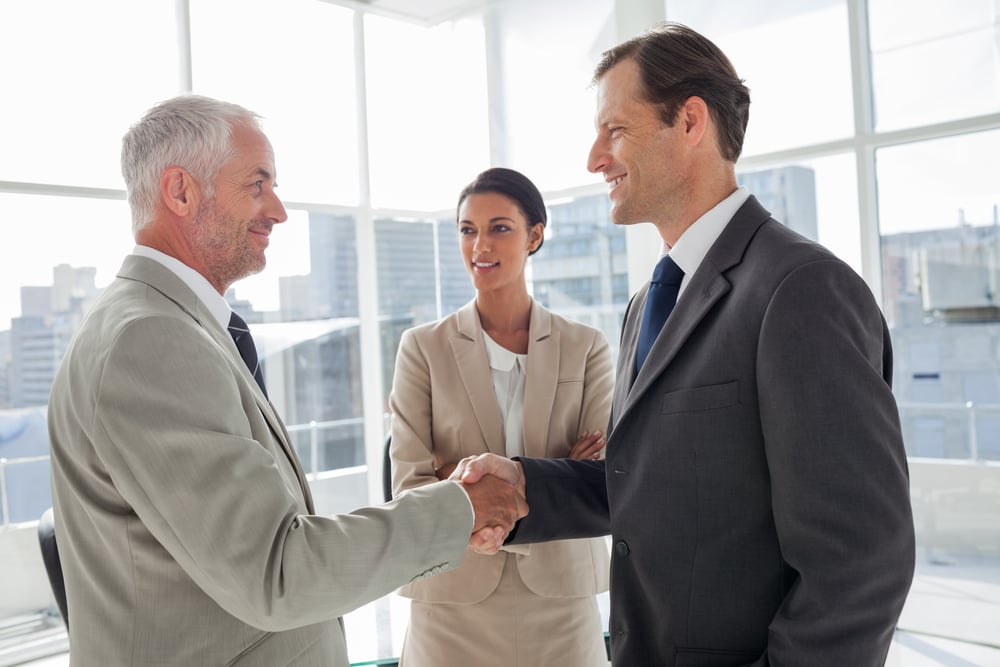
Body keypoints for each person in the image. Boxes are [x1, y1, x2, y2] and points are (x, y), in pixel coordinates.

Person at [455, 22, 916, 666]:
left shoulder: (803, 289)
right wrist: (524, 483)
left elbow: (860, 566)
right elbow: (646, 484)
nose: (594, 159)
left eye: (614, 131)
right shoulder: (650, 301)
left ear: (691, 122)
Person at [46, 94, 525, 667]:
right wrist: (461, 508)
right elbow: (278, 573)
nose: (278, 210)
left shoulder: (170, 325)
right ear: (180, 191)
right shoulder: (148, 339)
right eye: (257, 184)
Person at [388, 167, 613, 666]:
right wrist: (554, 470)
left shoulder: (586, 347)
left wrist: (456, 474)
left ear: (534, 235)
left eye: (499, 228)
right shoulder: (422, 348)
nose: (480, 245)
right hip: (451, 597)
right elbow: (409, 484)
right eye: (468, 230)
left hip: (561, 598)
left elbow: (601, 476)